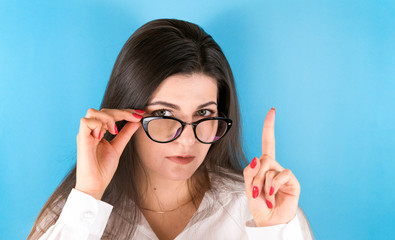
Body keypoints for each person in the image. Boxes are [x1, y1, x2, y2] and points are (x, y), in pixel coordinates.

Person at [28, 19, 314, 240]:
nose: (188, 139)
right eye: (164, 113)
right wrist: (88, 193)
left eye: (204, 113)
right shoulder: (75, 213)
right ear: (126, 115)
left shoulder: (265, 211)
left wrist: (273, 231)